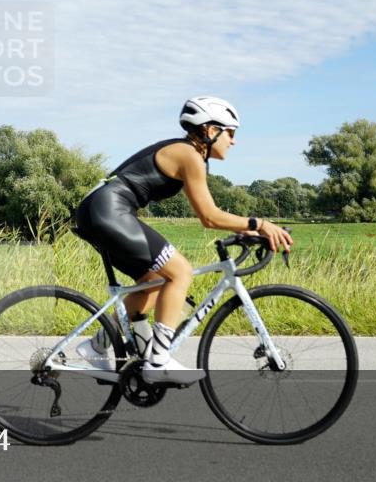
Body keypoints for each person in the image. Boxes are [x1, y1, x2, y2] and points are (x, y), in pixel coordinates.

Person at [73, 96, 293, 385]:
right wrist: (260, 224)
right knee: (180, 272)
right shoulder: (189, 155)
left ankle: (97, 345)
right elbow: (209, 217)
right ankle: (158, 360)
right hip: (109, 210)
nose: (234, 140)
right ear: (210, 130)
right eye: (230, 132)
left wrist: (246, 230)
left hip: (100, 210)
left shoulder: (190, 155)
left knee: (154, 282)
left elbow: (210, 213)